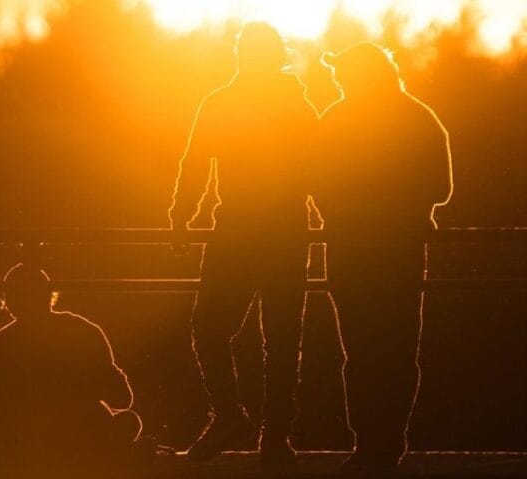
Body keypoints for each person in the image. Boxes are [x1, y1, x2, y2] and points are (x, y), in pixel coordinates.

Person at [167, 22, 318, 463]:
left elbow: (195, 163)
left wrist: (181, 218)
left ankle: (236, 419)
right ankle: (272, 436)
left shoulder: (223, 102)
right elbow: (320, 168)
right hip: (283, 231)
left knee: (212, 328)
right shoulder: (295, 104)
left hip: (241, 231)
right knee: (280, 337)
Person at [315, 42, 453, 471]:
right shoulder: (419, 117)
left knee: (360, 350)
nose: (338, 80)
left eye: (342, 73)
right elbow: (441, 189)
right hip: (399, 251)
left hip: (351, 251)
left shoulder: (335, 119)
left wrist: (345, 212)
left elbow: (316, 182)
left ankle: (368, 441)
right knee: (397, 348)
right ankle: (390, 441)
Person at [0, 263, 146, 471]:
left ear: (9, 301)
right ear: (49, 294)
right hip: (79, 445)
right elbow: (122, 398)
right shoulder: (82, 330)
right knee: (129, 421)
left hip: (22, 452)